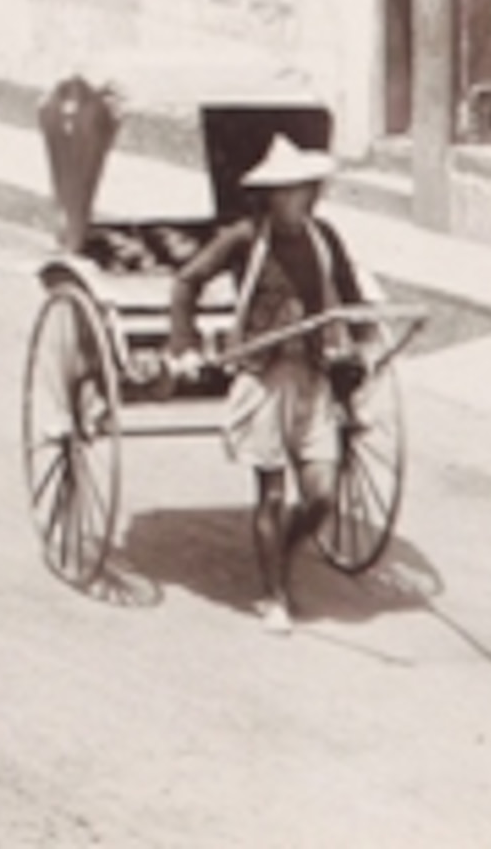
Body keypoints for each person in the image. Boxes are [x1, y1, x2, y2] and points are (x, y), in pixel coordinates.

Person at [167, 134, 369, 635]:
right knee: (274, 495)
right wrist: (184, 343)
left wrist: (363, 340)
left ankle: (279, 551)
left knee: (321, 495)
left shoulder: (324, 238)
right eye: (288, 192)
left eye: (305, 190)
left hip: (314, 375)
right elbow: (185, 282)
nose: (298, 201)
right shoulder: (244, 238)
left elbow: (350, 296)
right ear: (270, 197)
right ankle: (274, 594)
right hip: (263, 377)